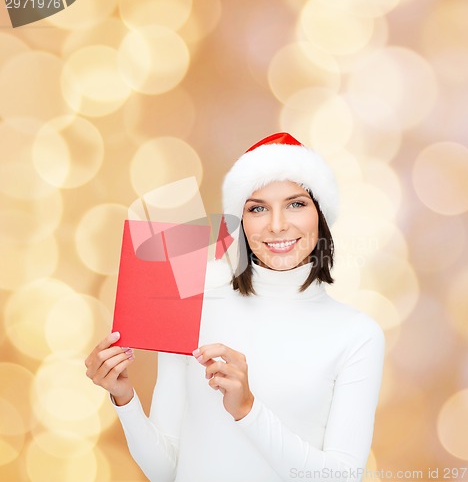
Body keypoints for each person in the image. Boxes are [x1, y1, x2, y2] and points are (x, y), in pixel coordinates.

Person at [85, 132, 385, 482]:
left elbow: (341, 477)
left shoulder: (356, 334)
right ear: (240, 221)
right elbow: (167, 471)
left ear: (320, 212)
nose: (277, 225)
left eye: (296, 203)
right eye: (258, 208)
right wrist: (125, 399)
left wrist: (247, 410)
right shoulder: (194, 303)